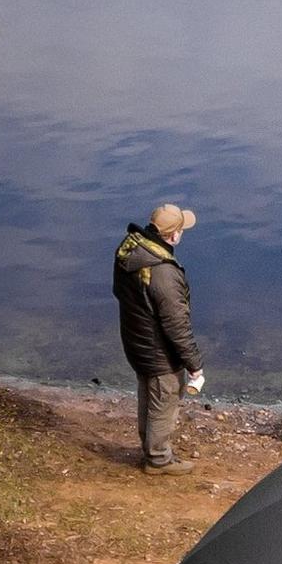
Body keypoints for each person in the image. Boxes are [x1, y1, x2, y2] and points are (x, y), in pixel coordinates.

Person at [113, 203, 205, 474]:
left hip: (135, 341)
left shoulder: (130, 251)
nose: (182, 234)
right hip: (157, 350)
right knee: (165, 397)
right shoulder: (164, 273)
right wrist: (194, 364)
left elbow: (119, 291)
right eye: (181, 229)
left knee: (149, 391)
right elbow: (177, 325)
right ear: (173, 235)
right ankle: (158, 460)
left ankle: (150, 447)